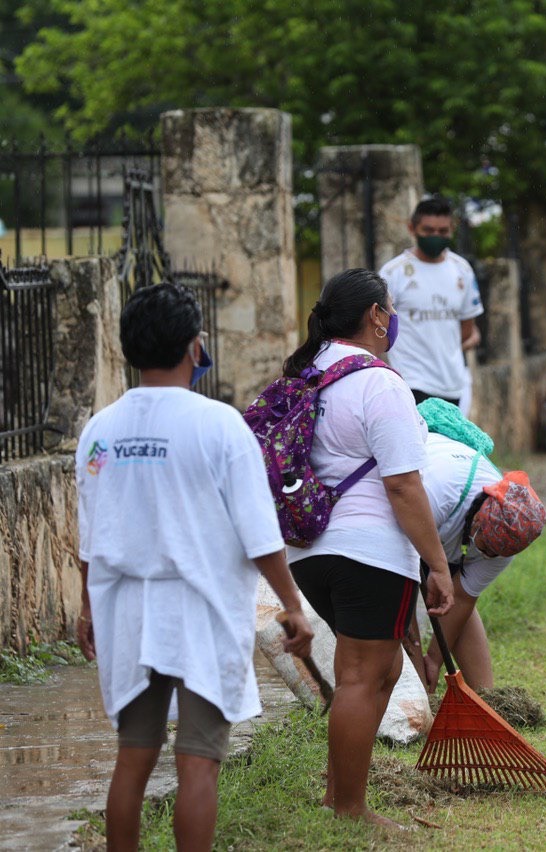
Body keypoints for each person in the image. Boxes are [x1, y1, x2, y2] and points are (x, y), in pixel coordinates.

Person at [75, 283, 315, 850]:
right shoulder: (220, 425)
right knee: (198, 762)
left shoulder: (99, 431)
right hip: (201, 610)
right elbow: (259, 535)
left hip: (126, 611)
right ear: (193, 346)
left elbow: (90, 535)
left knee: (132, 759)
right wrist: (291, 604)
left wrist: (88, 608)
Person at [283, 268, 454, 827]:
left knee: (373, 673)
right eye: (391, 307)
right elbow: (403, 485)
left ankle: (341, 795)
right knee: (364, 675)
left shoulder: (308, 375)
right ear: (377, 316)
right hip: (368, 551)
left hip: (310, 552)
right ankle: (350, 810)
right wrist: (437, 563)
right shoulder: (379, 383)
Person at [414, 423, 546, 691]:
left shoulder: (509, 539)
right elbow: (401, 580)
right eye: (484, 544)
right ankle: (415, 701)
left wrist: (434, 661)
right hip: (406, 506)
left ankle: (487, 701)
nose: (486, 555)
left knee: (454, 600)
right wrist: (420, 665)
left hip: (446, 524)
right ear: (479, 517)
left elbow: (461, 598)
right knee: (398, 606)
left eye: (493, 553)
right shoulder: (438, 492)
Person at [378, 195, 483, 409]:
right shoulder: (393, 273)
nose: (436, 236)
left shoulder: (462, 270)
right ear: (412, 228)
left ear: (451, 230)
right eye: (428, 230)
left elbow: (467, 329)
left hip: (453, 384)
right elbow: (378, 326)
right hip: (410, 382)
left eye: (442, 231)